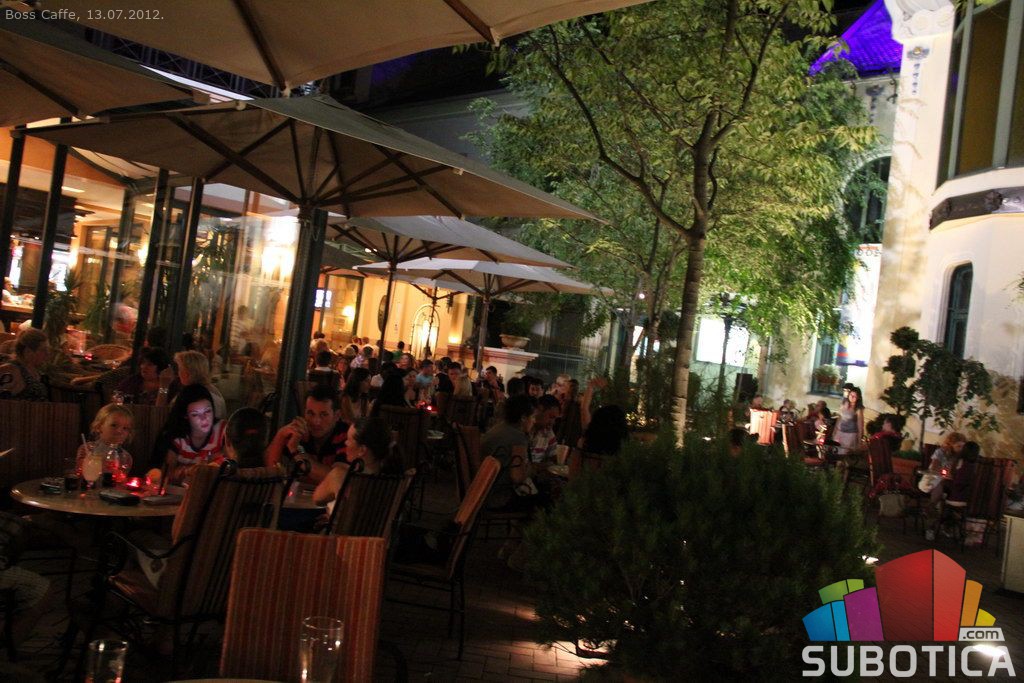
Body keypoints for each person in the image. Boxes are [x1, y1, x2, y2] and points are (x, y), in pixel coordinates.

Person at [266, 385, 348, 484]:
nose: (316, 421)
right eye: (310, 413)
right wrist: (281, 435)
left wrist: (296, 451)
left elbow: (337, 479)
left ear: (337, 416)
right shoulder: (299, 432)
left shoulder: (347, 436)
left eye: (323, 415)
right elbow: (271, 471)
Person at [312, 417, 399, 507]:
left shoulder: (339, 476)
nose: (345, 443)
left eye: (348, 439)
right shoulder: (395, 481)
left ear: (362, 450)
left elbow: (317, 499)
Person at [155, 384, 226, 486]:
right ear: (186, 416)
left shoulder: (223, 431)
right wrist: (187, 471)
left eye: (207, 411)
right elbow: (166, 476)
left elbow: (233, 461)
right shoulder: (177, 438)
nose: (204, 419)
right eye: (195, 414)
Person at [480, 395, 535, 511]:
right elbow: (517, 477)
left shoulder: (498, 429)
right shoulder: (518, 438)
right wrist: (531, 469)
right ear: (523, 418)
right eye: (532, 417)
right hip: (497, 497)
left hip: (480, 490)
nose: (534, 421)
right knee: (545, 499)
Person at [157, 350, 227, 419]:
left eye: (180, 369)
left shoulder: (191, 395)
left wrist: (163, 386)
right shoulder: (213, 390)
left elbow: (160, 415)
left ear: (187, 373)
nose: (178, 374)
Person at [76, 403, 134, 477]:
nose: (119, 431)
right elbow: (81, 473)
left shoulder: (126, 457)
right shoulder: (87, 449)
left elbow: (121, 480)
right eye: (113, 425)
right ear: (99, 427)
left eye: (125, 428)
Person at [0, 328, 49, 401]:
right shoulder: (10, 370)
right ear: (28, 351)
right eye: (43, 350)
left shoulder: (35, 370)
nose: (47, 354)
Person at [529, 395, 561, 463]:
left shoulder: (548, 433)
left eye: (555, 419)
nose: (553, 422)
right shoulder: (523, 429)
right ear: (539, 410)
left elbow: (552, 457)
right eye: (551, 417)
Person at [833, 389, 865, 454]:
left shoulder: (858, 409)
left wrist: (859, 440)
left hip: (850, 434)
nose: (852, 397)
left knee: (844, 453)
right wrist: (835, 431)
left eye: (854, 396)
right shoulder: (844, 404)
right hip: (840, 432)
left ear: (858, 397)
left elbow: (860, 425)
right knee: (836, 451)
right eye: (851, 395)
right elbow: (839, 419)